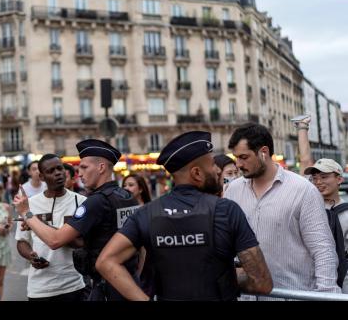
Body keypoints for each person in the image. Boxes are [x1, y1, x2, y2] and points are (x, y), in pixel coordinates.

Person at [95, 131, 273, 301]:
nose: (217, 171)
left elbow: (106, 261)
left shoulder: (147, 213)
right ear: (196, 173)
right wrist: (227, 279)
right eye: (212, 165)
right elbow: (262, 282)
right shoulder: (226, 210)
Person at [13, 139, 140, 301]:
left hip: (101, 286)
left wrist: (28, 215)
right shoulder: (127, 197)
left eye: (84, 167)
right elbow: (140, 247)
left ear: (101, 167)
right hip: (127, 283)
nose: (79, 173)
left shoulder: (93, 202)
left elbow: (55, 240)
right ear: (42, 176)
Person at [225, 123, 341, 296]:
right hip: (246, 296)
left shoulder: (302, 190)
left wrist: (325, 294)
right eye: (236, 158)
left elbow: (323, 249)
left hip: (292, 295)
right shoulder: (233, 190)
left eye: (244, 157)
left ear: (263, 152)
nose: (238, 164)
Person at [15, 154, 87, 301]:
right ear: (41, 177)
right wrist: (31, 256)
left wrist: (46, 228)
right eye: (51, 171)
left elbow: (83, 243)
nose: (58, 173)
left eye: (60, 168)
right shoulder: (29, 205)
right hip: (40, 289)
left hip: (73, 285)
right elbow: (21, 242)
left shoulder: (81, 202)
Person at [304, 159, 348, 292]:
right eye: (314, 178)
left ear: (339, 179)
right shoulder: (306, 210)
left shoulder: (346, 213)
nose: (318, 182)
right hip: (311, 279)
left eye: (324, 177)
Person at [122, 173, 153, 296]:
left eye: (130, 185)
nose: (126, 188)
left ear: (140, 189)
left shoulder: (148, 210)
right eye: (124, 185)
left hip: (146, 266)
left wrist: (139, 273)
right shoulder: (122, 210)